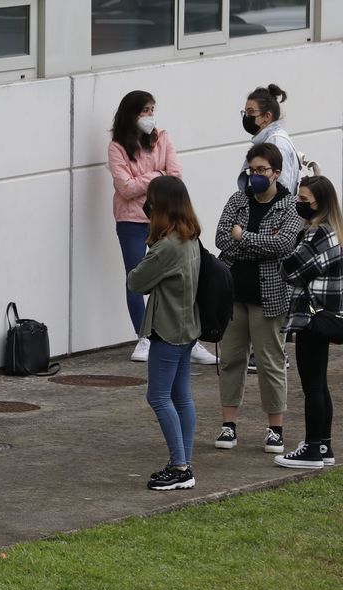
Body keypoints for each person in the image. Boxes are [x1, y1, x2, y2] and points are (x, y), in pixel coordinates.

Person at [107, 91, 216, 365]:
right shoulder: (118, 147)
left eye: (152, 110)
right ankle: (144, 336)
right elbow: (125, 188)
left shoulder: (162, 138)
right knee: (135, 277)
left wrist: (146, 179)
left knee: (179, 274)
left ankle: (188, 338)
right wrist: (158, 176)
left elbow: (176, 175)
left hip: (165, 217)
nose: (150, 116)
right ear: (131, 113)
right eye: (145, 110)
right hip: (131, 219)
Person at [213, 144, 303, 455]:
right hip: (234, 295)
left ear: (277, 173)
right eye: (252, 170)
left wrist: (243, 238)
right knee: (231, 360)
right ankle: (228, 425)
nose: (256, 176)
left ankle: (275, 430)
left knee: (270, 363)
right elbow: (221, 238)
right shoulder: (238, 200)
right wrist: (250, 243)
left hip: (270, 298)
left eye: (262, 170)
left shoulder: (291, 206)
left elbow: (283, 244)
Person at [127, 176, 202, 491]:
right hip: (187, 330)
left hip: (168, 331)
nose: (148, 206)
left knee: (158, 396)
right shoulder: (190, 238)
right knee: (181, 396)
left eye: (152, 201)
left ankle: (180, 466)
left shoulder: (166, 247)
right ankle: (184, 464)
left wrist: (151, 244)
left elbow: (136, 281)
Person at [274, 175, 343, 469]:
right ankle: (323, 445)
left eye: (304, 201)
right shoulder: (333, 231)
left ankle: (313, 449)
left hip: (311, 318)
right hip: (323, 316)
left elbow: (291, 270)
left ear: (320, 202)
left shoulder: (319, 233)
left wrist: (283, 246)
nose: (299, 205)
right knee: (319, 384)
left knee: (312, 385)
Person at [239, 84, 300, 195]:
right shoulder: (267, 141)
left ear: (267, 116)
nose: (246, 117)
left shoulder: (277, 143)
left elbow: (282, 189)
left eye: (251, 112)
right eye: (245, 112)